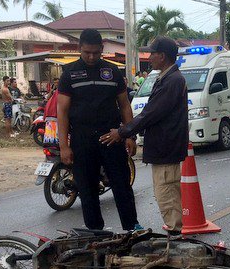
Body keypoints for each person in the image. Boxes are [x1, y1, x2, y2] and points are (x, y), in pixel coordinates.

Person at [100, 36, 187, 235]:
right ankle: (175, 234)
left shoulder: (172, 80)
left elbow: (151, 114)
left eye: (152, 53)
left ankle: (176, 238)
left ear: (162, 56)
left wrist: (122, 132)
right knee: (166, 193)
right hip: (164, 147)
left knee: (166, 194)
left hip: (167, 147)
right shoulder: (165, 78)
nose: (149, 57)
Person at [57, 29, 140, 231]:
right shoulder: (69, 74)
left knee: (122, 185)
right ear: (79, 49)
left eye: (96, 52)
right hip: (82, 140)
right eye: (87, 52)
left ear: (102, 49)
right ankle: (96, 233)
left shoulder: (112, 72)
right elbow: (63, 111)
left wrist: (129, 135)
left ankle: (132, 227)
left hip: (111, 138)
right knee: (87, 190)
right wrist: (64, 146)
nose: (92, 57)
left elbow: (124, 105)